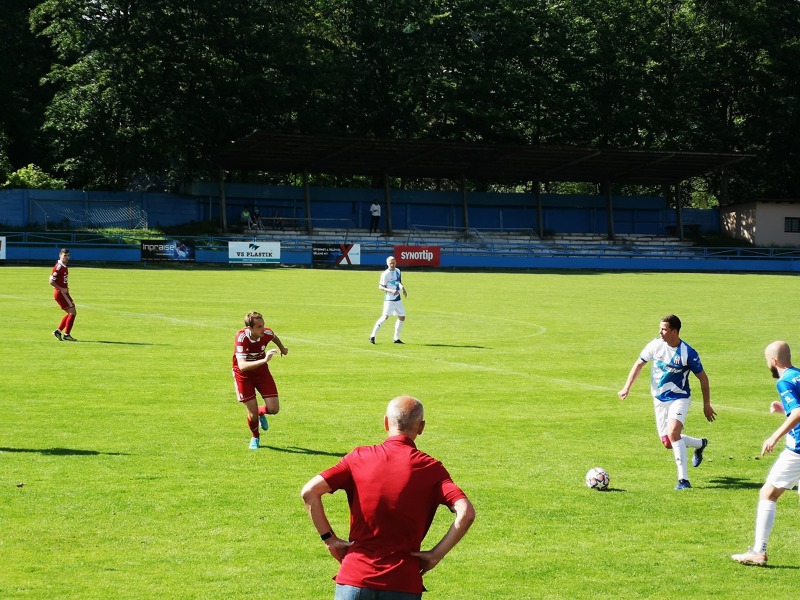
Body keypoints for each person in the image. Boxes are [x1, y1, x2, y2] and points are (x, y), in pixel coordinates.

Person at [301, 395, 475, 600]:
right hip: (403, 582)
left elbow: (310, 491)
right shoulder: (432, 469)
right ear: (421, 427)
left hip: (355, 578)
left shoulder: (358, 458)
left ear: (385, 422)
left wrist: (329, 539)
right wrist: (436, 555)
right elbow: (466, 513)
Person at [618, 314, 716, 490]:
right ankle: (700, 444)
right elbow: (639, 364)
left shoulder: (688, 353)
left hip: (679, 398)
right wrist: (627, 387)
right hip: (659, 400)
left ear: (674, 331)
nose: (660, 332)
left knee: (673, 432)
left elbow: (703, 378)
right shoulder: (655, 345)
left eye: (663, 329)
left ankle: (683, 480)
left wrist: (706, 404)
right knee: (668, 442)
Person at [731, 341, 800, 566]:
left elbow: (798, 412)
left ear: (773, 361)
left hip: (797, 450)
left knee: (768, 493)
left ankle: (758, 551)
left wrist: (774, 436)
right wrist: (784, 410)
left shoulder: (784, 381)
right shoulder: (798, 375)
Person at [231, 311, 289, 450]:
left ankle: (260, 411)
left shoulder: (266, 333)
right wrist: (264, 360)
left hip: (262, 373)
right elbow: (242, 366)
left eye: (263, 325)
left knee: (274, 409)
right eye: (259, 326)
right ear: (249, 328)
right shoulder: (242, 338)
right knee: (252, 415)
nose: (263, 329)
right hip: (243, 376)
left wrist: (282, 348)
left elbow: (273, 336)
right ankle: (255, 436)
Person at [369, 256, 407, 345]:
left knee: (402, 317)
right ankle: (372, 336)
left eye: (393, 263)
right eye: (390, 263)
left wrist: (403, 289)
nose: (392, 265)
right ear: (387, 264)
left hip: (398, 299)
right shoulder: (385, 274)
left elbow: (398, 282)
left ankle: (396, 338)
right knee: (384, 317)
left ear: (396, 262)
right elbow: (380, 287)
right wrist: (391, 290)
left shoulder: (398, 271)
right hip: (389, 300)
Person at [50, 248, 77, 341]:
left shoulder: (63, 266)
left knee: (71, 313)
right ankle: (66, 334)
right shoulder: (59, 267)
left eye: (68, 256)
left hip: (62, 293)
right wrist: (62, 289)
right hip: (61, 293)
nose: (66, 257)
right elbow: (51, 281)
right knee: (73, 312)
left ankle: (58, 331)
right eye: (64, 255)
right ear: (60, 255)